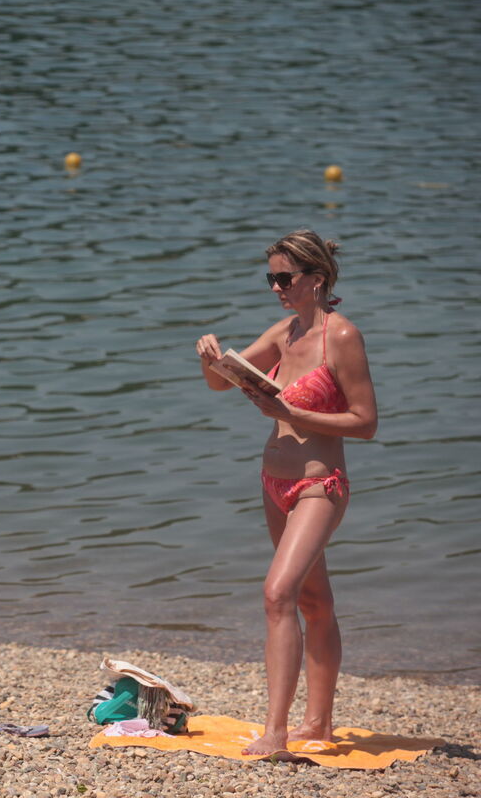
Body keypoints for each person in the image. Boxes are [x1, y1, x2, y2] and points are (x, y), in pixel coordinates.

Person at [195, 230, 377, 757]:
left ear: (316, 279)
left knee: (278, 594)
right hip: (273, 484)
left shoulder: (341, 337)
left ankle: (276, 733)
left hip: (320, 485)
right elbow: (219, 383)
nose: (276, 287)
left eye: (285, 278)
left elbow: (365, 423)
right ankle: (318, 724)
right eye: (270, 278)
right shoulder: (285, 330)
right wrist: (209, 357)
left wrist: (290, 411)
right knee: (314, 601)